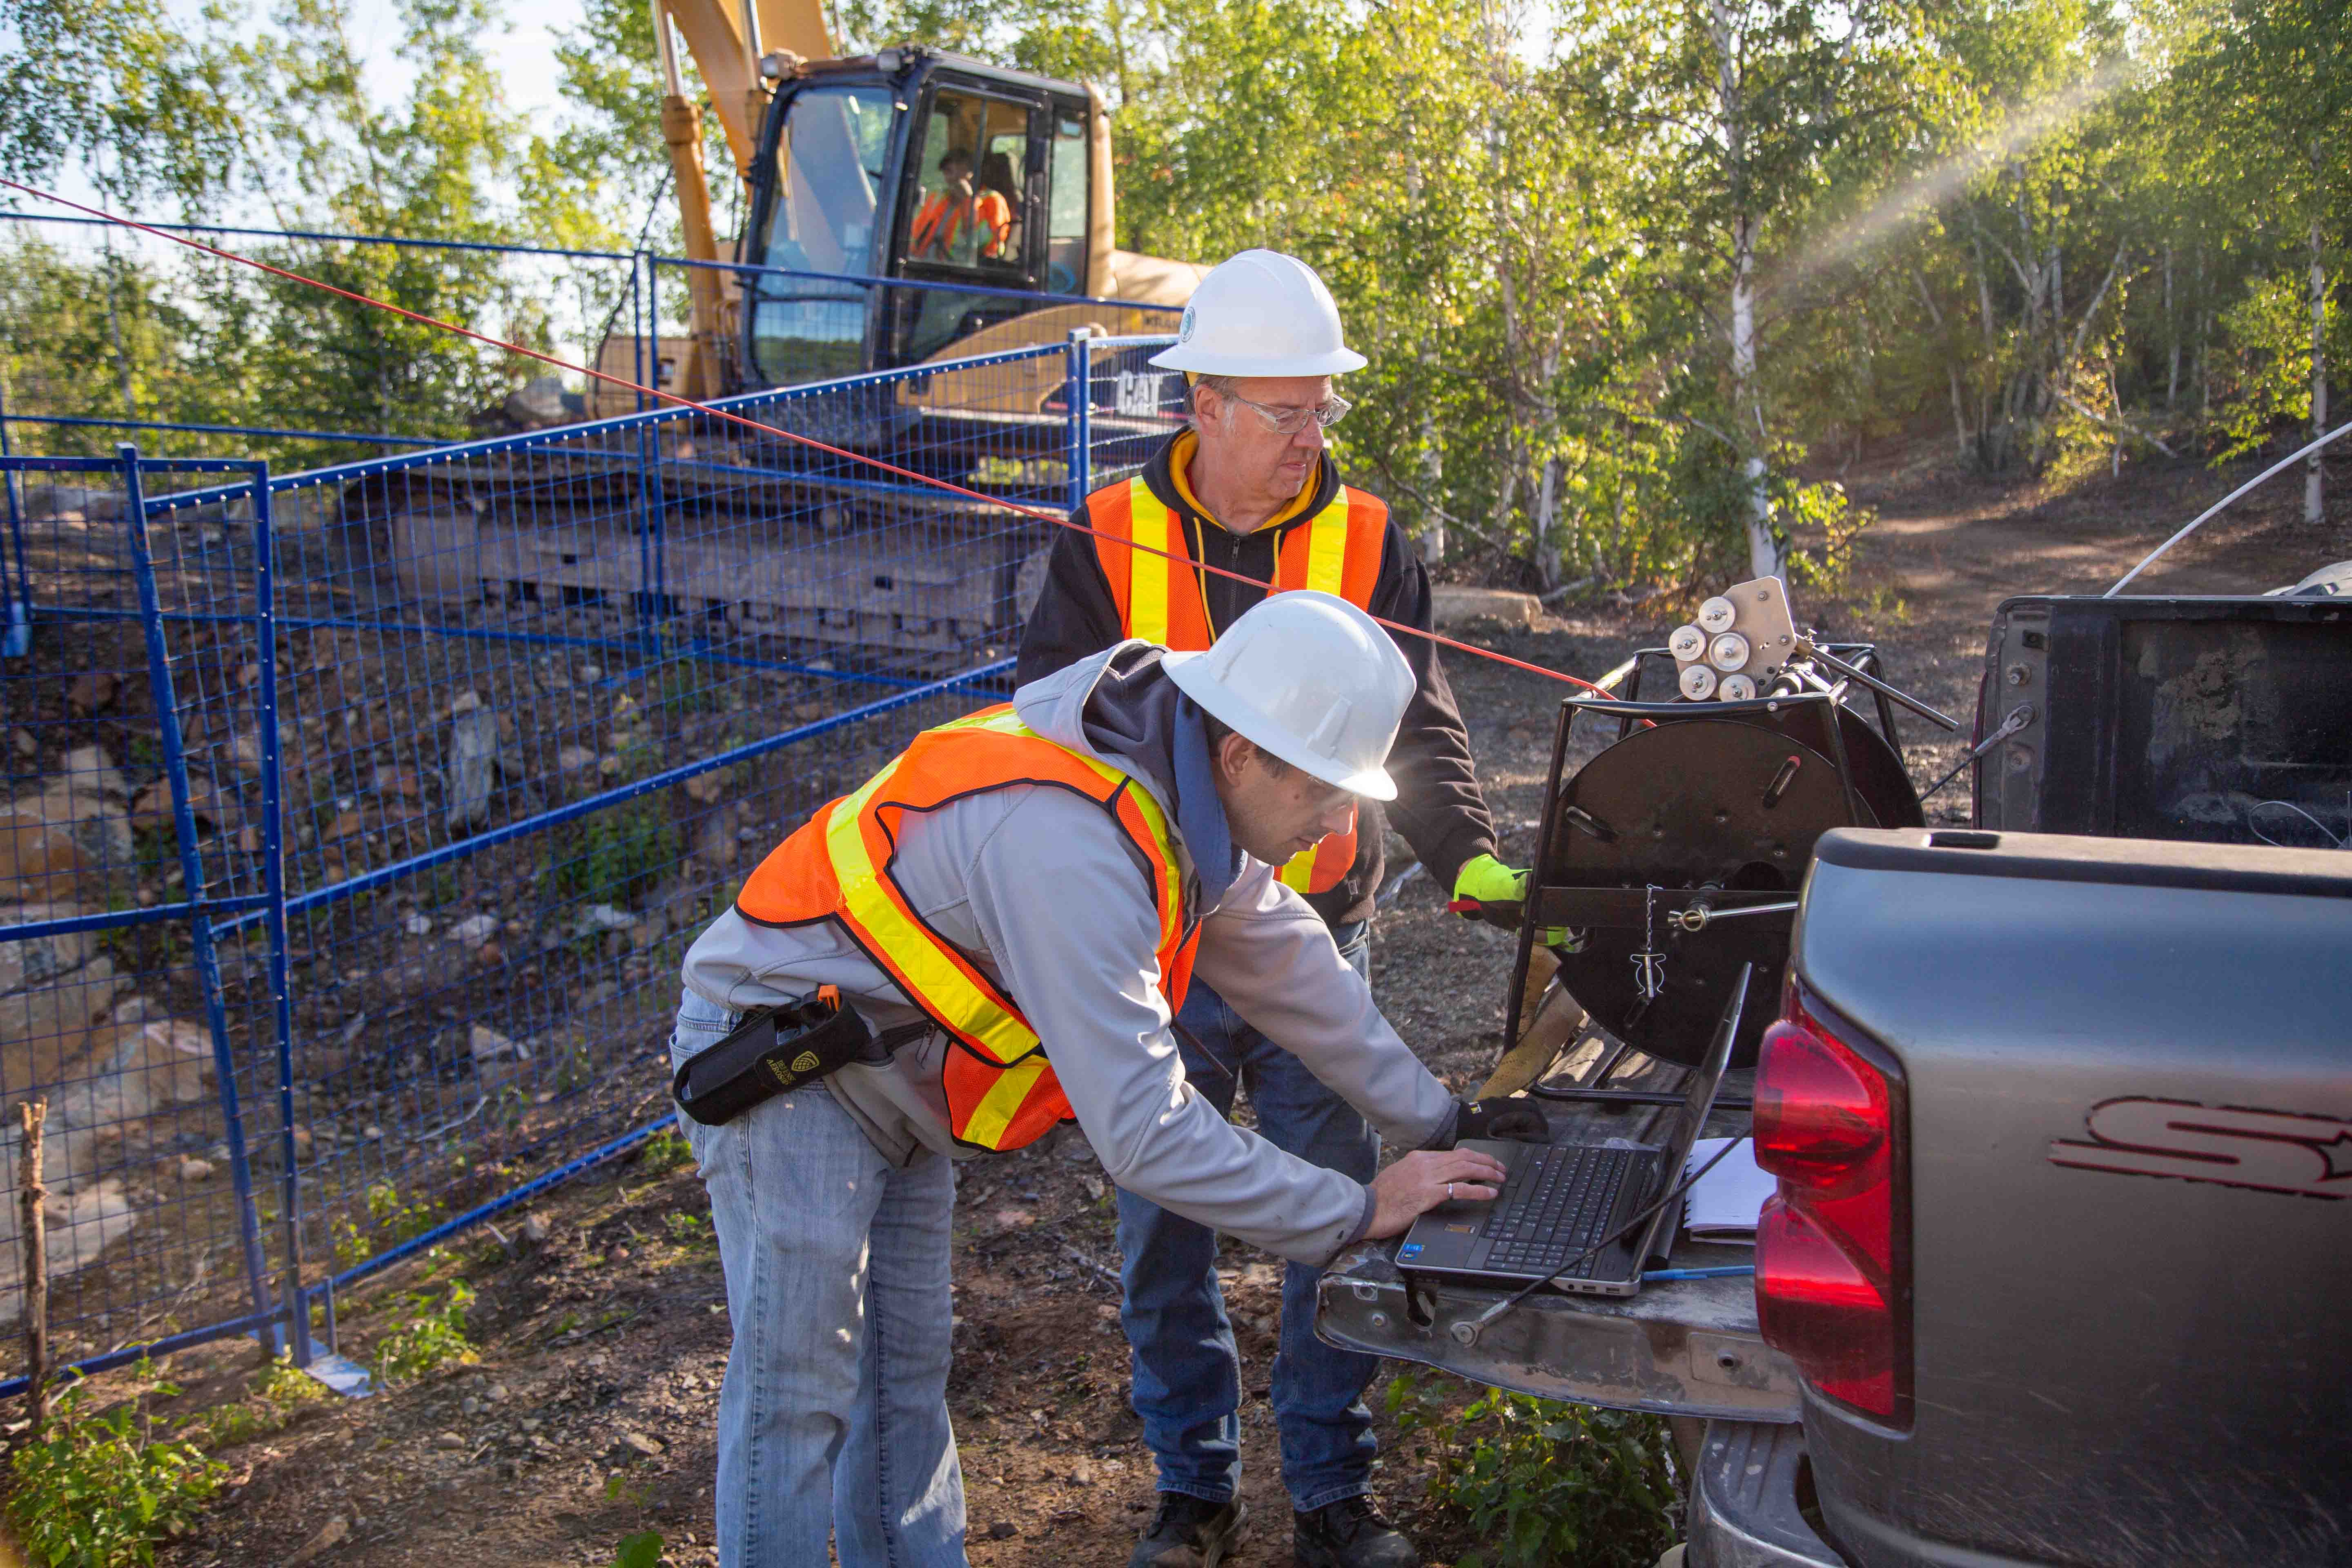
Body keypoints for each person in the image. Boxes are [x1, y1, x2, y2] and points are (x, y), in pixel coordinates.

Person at [669, 592, 1545, 1568]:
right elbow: (1144, 1130)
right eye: (1324, 790)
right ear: (1242, 754)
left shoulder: (1181, 789)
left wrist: (1441, 1117)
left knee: (898, 1380)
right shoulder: (1071, 842)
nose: (1341, 822)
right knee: (799, 1391)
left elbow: (1292, 967)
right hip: (787, 1060)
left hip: (884, 1076)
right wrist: (1354, 1208)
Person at [1018, 248, 1537, 1568]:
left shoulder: (1366, 537)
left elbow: (1419, 718)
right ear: (1203, 406)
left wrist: (1466, 853)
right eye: (1285, 412)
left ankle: (1329, 1498)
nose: (1312, 438)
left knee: (1333, 1208)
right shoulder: (1106, 535)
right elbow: (1054, 740)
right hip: (1155, 946)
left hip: (1315, 927)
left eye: (1323, 411)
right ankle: (1192, 1497)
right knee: (1161, 1230)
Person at [909, 149, 1011, 263]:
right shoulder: (937, 198)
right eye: (946, 172)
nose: (950, 179)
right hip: (923, 266)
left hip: (961, 272)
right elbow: (916, 236)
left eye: (952, 172)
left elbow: (990, 247)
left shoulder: (993, 201)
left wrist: (968, 201)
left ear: (971, 173)